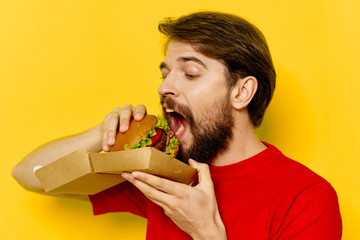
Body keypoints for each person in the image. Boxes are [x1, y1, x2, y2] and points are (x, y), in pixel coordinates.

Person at [12, 11, 342, 239]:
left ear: (241, 92)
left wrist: (206, 232)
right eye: (165, 73)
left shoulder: (307, 198)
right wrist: (101, 133)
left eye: (191, 73)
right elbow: (30, 175)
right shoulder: (159, 172)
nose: (164, 87)